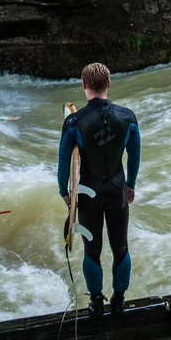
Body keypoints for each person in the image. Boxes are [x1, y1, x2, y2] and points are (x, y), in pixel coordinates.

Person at [57, 62, 141, 317]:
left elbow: (63, 163)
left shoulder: (74, 121)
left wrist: (64, 192)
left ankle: (96, 303)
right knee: (121, 248)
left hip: (87, 192)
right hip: (117, 190)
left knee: (92, 250)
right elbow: (135, 156)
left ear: (84, 85)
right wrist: (131, 185)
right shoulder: (127, 118)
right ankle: (118, 301)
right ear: (108, 84)